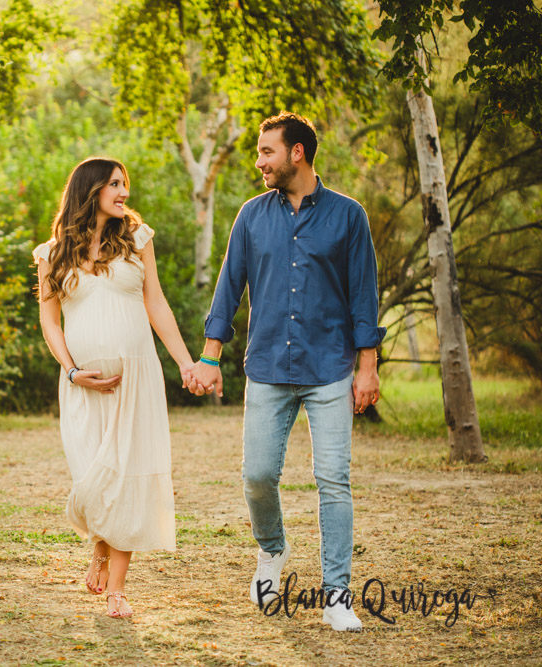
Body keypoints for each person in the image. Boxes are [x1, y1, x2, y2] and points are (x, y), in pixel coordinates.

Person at [186, 112, 385, 631]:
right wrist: (210, 356)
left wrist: (368, 368)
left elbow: (364, 297)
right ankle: (272, 549)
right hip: (269, 366)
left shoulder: (348, 216)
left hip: (330, 367)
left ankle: (337, 595)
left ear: (297, 152)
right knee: (257, 476)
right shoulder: (251, 216)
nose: (260, 162)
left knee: (333, 480)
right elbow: (228, 287)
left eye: (266, 152)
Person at [33, 157, 196, 619]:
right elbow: (50, 322)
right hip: (82, 387)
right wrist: (71, 371)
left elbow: (156, 304)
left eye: (125, 184)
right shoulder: (52, 254)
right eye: (115, 184)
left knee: (127, 477)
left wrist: (185, 362)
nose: (124, 192)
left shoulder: (137, 240)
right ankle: (100, 546)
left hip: (136, 379)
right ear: (90, 190)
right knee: (93, 479)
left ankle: (118, 590)